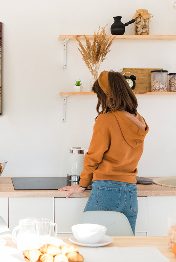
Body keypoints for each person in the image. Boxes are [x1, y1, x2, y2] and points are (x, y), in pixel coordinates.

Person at [59, 71, 149, 234]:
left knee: (86, 240)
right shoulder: (139, 120)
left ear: (107, 95)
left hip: (107, 190)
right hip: (130, 192)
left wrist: (82, 184)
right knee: (125, 247)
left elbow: (93, 157)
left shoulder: (106, 120)